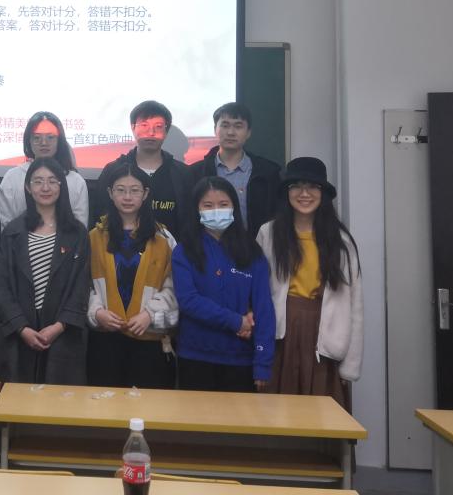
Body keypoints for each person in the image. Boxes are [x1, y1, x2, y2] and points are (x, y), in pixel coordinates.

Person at [256, 157, 363, 411]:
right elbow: (257, 292)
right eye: (296, 186)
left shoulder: (341, 242)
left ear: (323, 193)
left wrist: (350, 365)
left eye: (313, 187)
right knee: (278, 413)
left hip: (324, 335)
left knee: (323, 415)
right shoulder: (268, 233)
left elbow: (355, 305)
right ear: (287, 192)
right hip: (280, 334)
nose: (304, 194)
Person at [0, 157, 90, 384]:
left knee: (60, 399)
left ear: (61, 186)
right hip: (21, 329)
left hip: (62, 329)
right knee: (20, 398)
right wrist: (21, 327)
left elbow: (82, 284)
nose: (45, 187)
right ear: (28, 187)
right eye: (38, 181)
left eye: (52, 181)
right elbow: (1, 284)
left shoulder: (77, 233)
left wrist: (59, 326)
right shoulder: (13, 231)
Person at [172, 176, 274, 392]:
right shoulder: (184, 250)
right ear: (197, 209)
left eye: (223, 204)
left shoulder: (252, 252)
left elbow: (264, 308)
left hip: (241, 359)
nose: (216, 211)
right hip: (195, 357)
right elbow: (188, 300)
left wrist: (263, 363)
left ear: (234, 207)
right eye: (208, 205)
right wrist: (236, 321)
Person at [86, 161, 177, 388]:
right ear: (110, 193)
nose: (127, 197)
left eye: (134, 190)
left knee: (147, 404)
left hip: (149, 339)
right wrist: (97, 312)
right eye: (121, 190)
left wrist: (149, 314)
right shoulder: (94, 238)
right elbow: (83, 284)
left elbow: (174, 287)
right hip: (105, 339)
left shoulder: (163, 238)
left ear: (145, 194)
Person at [93, 100, 192, 237]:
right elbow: (99, 214)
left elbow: (189, 220)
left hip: (171, 248)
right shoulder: (113, 170)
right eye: (144, 125)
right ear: (133, 128)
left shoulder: (182, 173)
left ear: (166, 131)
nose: (151, 132)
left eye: (158, 127)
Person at [190, 102, 281, 236]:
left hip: (255, 246)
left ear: (248, 132)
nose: (231, 132)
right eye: (225, 125)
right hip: (208, 246)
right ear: (215, 129)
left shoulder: (268, 172)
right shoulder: (195, 173)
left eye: (238, 126)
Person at [0, 111, 89, 229]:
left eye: (50, 137)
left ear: (59, 140)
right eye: (37, 137)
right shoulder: (12, 177)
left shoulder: (76, 181)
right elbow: (4, 226)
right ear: (28, 141)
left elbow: (80, 229)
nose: (44, 143)